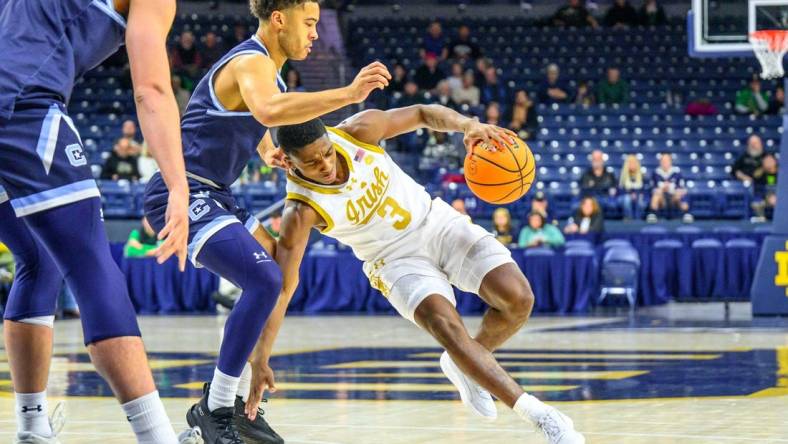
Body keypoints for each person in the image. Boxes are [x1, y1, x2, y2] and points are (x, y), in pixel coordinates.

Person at [246, 105, 585, 444]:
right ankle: (543, 418)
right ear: (289, 163)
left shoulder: (357, 132)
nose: (327, 166)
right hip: (393, 260)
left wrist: (466, 124)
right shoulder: (300, 211)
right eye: (313, 163)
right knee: (447, 328)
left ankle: (463, 364)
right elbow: (283, 287)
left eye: (327, 153)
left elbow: (423, 113)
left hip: (435, 222)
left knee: (518, 299)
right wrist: (260, 357)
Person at [141, 1, 392, 442]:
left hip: (215, 192)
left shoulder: (265, 71)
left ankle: (233, 403)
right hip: (181, 190)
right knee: (263, 279)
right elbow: (270, 111)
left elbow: (253, 117)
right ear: (280, 19)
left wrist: (263, 151)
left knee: (275, 270)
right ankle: (215, 409)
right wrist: (349, 95)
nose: (314, 33)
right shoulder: (251, 61)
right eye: (309, 23)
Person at [0, 0, 194, 443]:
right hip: (19, 106)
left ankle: (32, 428)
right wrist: (178, 187)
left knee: (36, 258)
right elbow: (151, 90)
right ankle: (157, 437)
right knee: (91, 264)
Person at [649, 153, 690, 221]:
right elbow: (652, 188)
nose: (665, 162)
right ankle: (653, 214)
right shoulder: (656, 172)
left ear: (670, 161)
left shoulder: (677, 172)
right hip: (661, 198)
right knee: (656, 195)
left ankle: (686, 214)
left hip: (673, 197)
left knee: (680, 194)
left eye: (667, 160)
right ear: (660, 162)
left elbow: (681, 188)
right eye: (663, 161)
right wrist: (662, 188)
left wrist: (670, 188)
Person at [618, 155, 646, 220]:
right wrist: (630, 194)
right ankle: (628, 218)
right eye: (630, 163)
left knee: (640, 200)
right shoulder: (622, 176)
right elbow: (620, 190)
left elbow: (645, 189)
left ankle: (638, 219)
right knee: (627, 199)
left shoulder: (642, 176)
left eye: (634, 163)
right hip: (624, 197)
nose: (632, 165)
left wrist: (637, 194)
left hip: (638, 196)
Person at [752, 154, 779, 219]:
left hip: (780, 196)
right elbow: (757, 188)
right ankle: (761, 219)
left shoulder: (781, 172)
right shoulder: (759, 173)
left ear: (775, 161)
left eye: (770, 161)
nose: (768, 163)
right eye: (766, 161)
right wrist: (767, 197)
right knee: (756, 203)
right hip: (765, 196)